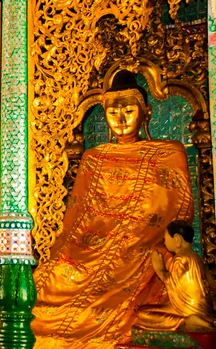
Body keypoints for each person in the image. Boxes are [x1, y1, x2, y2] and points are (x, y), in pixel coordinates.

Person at [32, 70, 194, 348]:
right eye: (112, 112)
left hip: (139, 244)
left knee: (132, 277)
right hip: (90, 246)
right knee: (50, 276)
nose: (120, 119)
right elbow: (79, 216)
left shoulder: (169, 152)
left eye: (129, 110)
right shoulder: (94, 157)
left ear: (146, 113)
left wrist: (133, 236)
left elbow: (176, 210)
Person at [136, 220, 215, 331]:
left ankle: (186, 321)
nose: (164, 242)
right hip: (203, 310)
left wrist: (160, 269)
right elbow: (212, 284)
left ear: (177, 240)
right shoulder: (196, 258)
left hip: (188, 310)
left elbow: (172, 284)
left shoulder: (180, 259)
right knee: (148, 310)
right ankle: (201, 320)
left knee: (142, 313)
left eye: (166, 238)